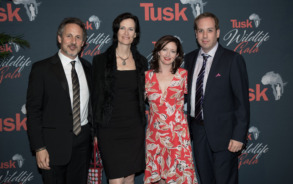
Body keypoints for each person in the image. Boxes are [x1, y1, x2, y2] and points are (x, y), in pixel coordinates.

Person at [184, 12, 250, 184]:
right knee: (206, 180)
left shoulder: (233, 59)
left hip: (226, 136)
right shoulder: (188, 59)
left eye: (210, 30)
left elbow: (242, 102)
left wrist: (238, 136)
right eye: (200, 31)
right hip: (198, 132)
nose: (205, 36)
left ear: (218, 32)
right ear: (195, 34)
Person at [26, 17, 93, 183]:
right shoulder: (41, 69)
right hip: (52, 147)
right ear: (59, 38)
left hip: (83, 145)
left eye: (78, 37)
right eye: (69, 36)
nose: (73, 41)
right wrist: (39, 148)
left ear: (83, 42)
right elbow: (33, 111)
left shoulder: (88, 68)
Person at [92, 12, 148, 184]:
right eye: (122, 28)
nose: (126, 32)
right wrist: (95, 132)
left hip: (134, 128)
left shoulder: (142, 62)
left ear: (136, 34)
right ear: (116, 31)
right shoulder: (100, 61)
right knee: (116, 179)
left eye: (131, 29)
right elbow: (95, 98)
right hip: (109, 129)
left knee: (130, 177)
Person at [144, 35, 198, 184]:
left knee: (178, 177)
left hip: (177, 135)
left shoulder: (183, 75)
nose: (168, 54)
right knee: (158, 179)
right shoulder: (147, 77)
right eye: (164, 49)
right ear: (158, 52)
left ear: (178, 55)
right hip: (155, 136)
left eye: (172, 51)